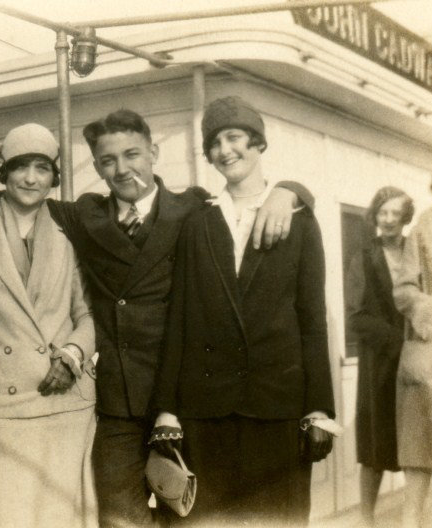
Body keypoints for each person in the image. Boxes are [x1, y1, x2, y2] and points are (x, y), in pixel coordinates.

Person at [0, 109, 314, 527]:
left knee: (188, 512)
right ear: (97, 168)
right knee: (116, 515)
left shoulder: (195, 207)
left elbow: (247, 192)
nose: (122, 169)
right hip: (118, 403)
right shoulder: (85, 214)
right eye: (108, 161)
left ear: (154, 153)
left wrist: (289, 191)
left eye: (132, 155)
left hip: (185, 397)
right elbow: (22, 192)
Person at [152, 96, 337, 526]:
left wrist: (320, 410)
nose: (224, 150)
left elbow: (313, 320)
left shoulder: (298, 219)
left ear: (257, 144)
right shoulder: (197, 222)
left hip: (278, 409)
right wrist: (166, 408)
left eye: (233, 137)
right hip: (205, 412)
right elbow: (179, 319)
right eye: (213, 142)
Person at [0, 123, 97, 527]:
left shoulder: (70, 227)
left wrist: (73, 355)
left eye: (41, 168)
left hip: (65, 404)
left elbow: (88, 313)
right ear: (3, 171)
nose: (30, 178)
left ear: (54, 176)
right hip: (1, 407)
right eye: (20, 166)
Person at [347, 186, 413, 526]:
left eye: (396, 213)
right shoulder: (364, 257)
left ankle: (414, 515)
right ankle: (366, 519)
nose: (389, 220)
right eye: (383, 213)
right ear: (375, 216)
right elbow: (356, 317)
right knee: (375, 446)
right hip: (381, 364)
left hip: (419, 361)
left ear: (405, 217)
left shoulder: (417, 252)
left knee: (419, 441)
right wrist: (398, 339)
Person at [392, 166, 432, 528]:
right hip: (429, 361)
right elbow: (403, 291)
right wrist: (430, 308)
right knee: (418, 474)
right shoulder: (422, 232)